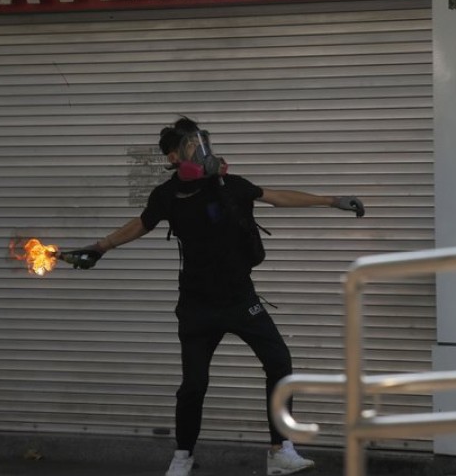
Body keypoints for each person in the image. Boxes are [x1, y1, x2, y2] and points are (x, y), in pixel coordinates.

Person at [68, 116, 364, 476]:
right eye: (192, 145)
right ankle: (182, 458)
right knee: (194, 385)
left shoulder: (230, 186)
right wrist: (99, 248)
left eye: (202, 142)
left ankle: (279, 450)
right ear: (174, 156)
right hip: (197, 307)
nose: (201, 149)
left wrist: (332, 200)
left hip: (241, 301)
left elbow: (278, 197)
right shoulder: (167, 196)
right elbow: (140, 225)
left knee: (279, 364)